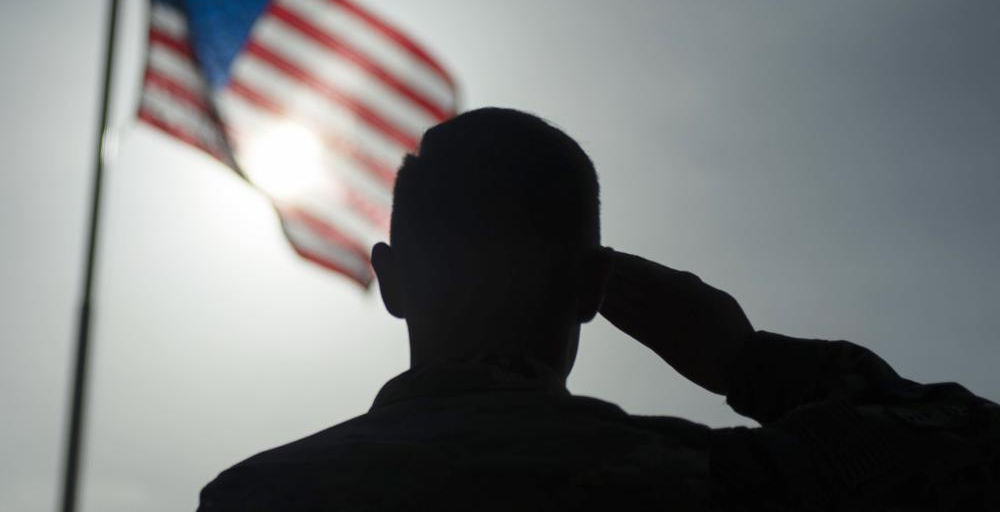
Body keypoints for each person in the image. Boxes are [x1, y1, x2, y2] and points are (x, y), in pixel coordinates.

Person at [199, 108, 999, 511]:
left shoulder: (255, 496)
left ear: (393, 280)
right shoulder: (711, 479)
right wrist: (750, 363)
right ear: (594, 290)